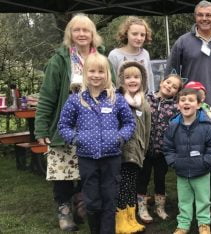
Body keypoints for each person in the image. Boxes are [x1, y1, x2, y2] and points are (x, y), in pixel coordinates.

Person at [35, 14, 108, 232]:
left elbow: (112, 89)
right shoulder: (60, 60)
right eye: (77, 30)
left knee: (89, 171)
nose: (82, 34)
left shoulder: (101, 57)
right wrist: (41, 126)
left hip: (95, 126)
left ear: (93, 34)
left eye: (86, 30)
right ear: (70, 34)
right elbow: (47, 95)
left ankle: (82, 202)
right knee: (63, 173)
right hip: (65, 127)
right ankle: (64, 210)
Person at [58, 53, 136, 234]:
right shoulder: (76, 100)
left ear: (107, 74)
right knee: (92, 200)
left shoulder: (116, 99)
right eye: (92, 71)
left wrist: (120, 138)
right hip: (87, 159)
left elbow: (129, 123)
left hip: (112, 158)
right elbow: (63, 125)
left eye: (101, 71)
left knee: (110, 198)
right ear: (85, 73)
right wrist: (76, 139)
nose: (96, 75)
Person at [164, 88, 211, 234]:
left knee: (203, 199)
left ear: (199, 104)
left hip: (201, 170)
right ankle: (183, 224)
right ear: (178, 104)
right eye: (183, 100)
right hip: (182, 170)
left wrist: (206, 163)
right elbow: (168, 147)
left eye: (190, 100)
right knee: (184, 200)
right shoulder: (173, 126)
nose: (186, 103)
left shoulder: (206, 125)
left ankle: (203, 223)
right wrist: (174, 162)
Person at [167, 0, 211, 109]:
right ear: (195, 17)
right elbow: (171, 73)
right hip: (190, 105)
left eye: (208, 15)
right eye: (200, 15)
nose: (204, 18)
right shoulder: (182, 41)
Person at [137, 74, 183, 223]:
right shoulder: (146, 99)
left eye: (174, 87)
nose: (169, 86)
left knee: (160, 179)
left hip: (162, 151)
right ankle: (142, 208)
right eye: (168, 82)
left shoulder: (176, 107)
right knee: (142, 178)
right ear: (162, 81)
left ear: (176, 92)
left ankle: (160, 207)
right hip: (144, 149)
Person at [114, 61, 152, 233]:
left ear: (142, 79)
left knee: (131, 186)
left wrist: (143, 149)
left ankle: (131, 217)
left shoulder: (143, 102)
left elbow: (147, 127)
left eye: (136, 77)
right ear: (121, 79)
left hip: (137, 152)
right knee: (122, 186)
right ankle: (120, 220)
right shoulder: (117, 100)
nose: (132, 80)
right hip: (121, 152)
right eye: (128, 77)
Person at [108, 16, 155, 93]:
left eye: (142, 35)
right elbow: (110, 82)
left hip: (143, 100)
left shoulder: (145, 53)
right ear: (126, 34)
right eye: (134, 34)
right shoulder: (114, 55)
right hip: (121, 101)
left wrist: (152, 97)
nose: (139, 38)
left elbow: (149, 78)